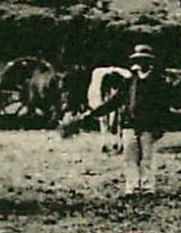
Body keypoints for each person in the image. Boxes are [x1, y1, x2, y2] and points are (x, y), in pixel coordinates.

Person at [65, 44, 173, 196]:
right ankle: (132, 187)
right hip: (129, 124)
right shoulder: (129, 81)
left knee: (146, 158)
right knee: (130, 158)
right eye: (138, 60)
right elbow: (115, 101)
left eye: (144, 60)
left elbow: (163, 106)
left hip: (149, 125)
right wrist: (92, 114)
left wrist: (161, 127)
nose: (141, 63)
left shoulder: (158, 82)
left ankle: (148, 188)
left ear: (150, 62)